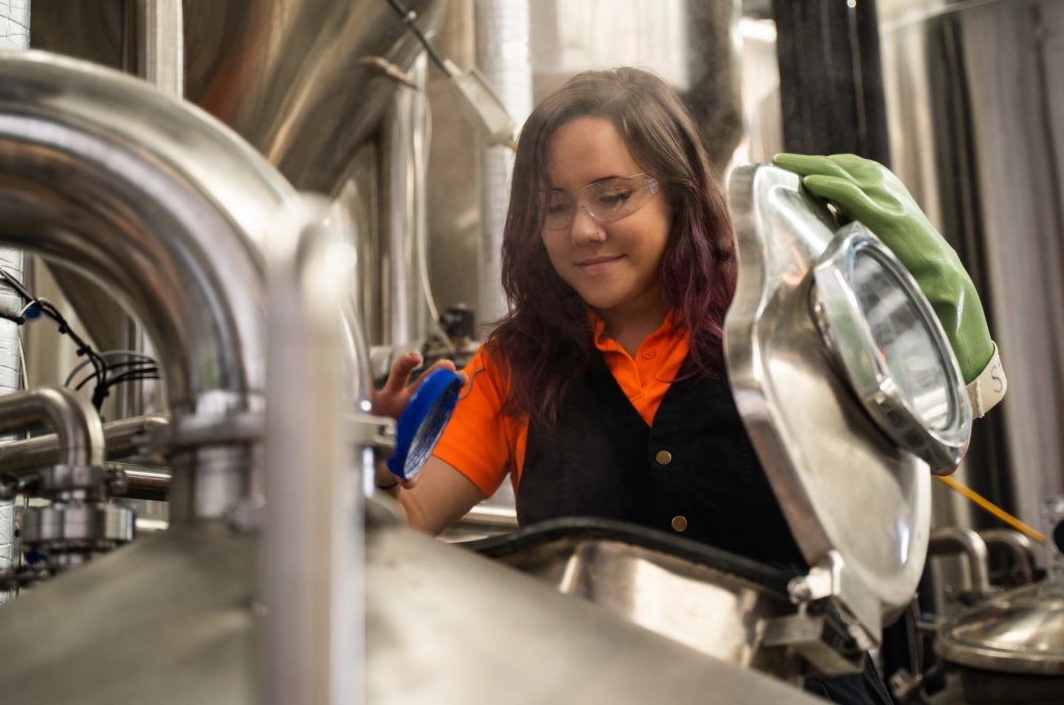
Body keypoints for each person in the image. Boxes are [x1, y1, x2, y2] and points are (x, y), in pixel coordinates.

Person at [372, 67, 1003, 704]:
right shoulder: (515, 364)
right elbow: (406, 522)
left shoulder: (781, 326)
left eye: (613, 196)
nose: (582, 230)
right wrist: (370, 457)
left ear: (678, 195)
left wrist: (927, 297)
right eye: (554, 206)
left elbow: (932, 448)